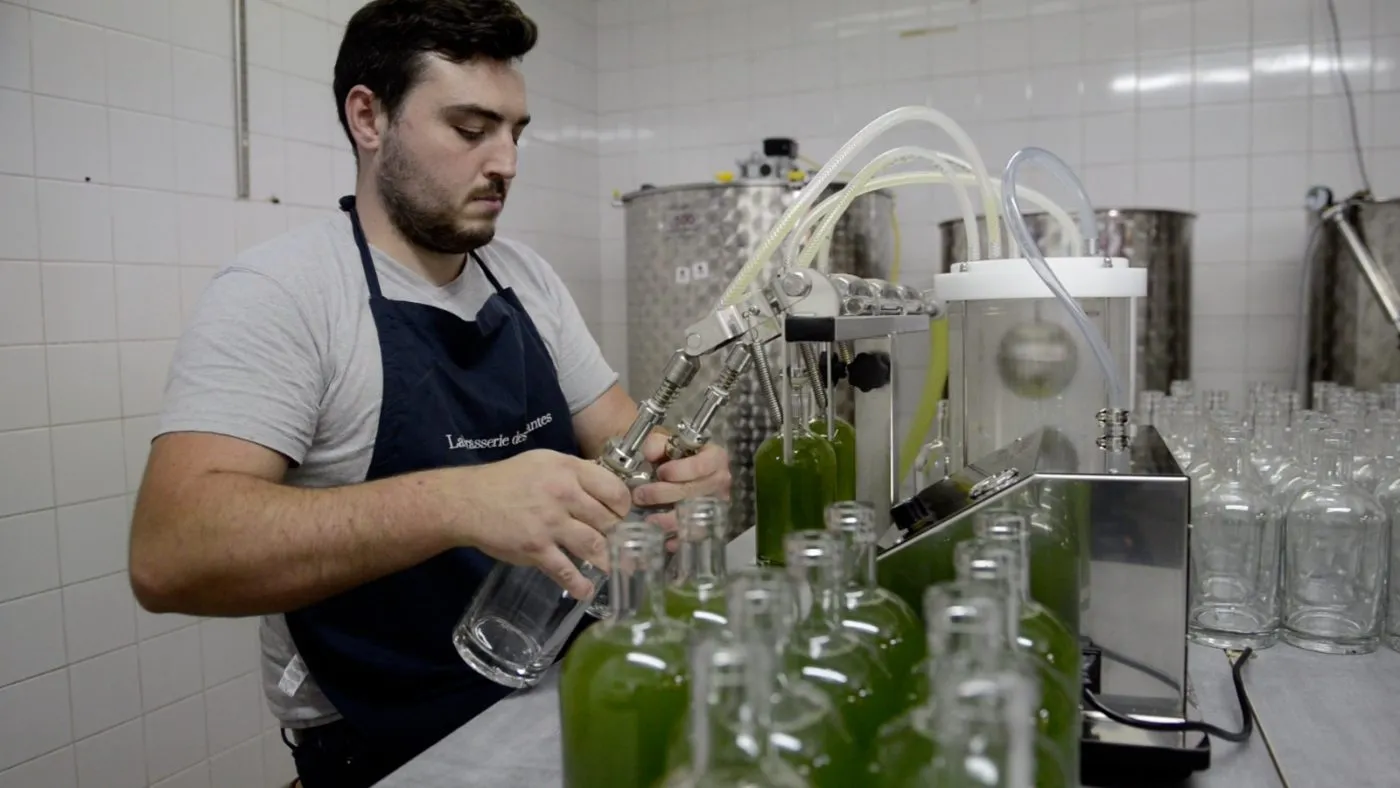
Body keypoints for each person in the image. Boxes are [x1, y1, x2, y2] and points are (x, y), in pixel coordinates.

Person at [127, 1, 731, 785]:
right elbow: (172, 554)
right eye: (471, 129)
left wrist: (679, 480)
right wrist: (459, 503)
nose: (507, 161)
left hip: (560, 698)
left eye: (516, 131)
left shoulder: (525, 281)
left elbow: (627, 451)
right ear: (369, 117)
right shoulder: (284, 293)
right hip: (388, 748)